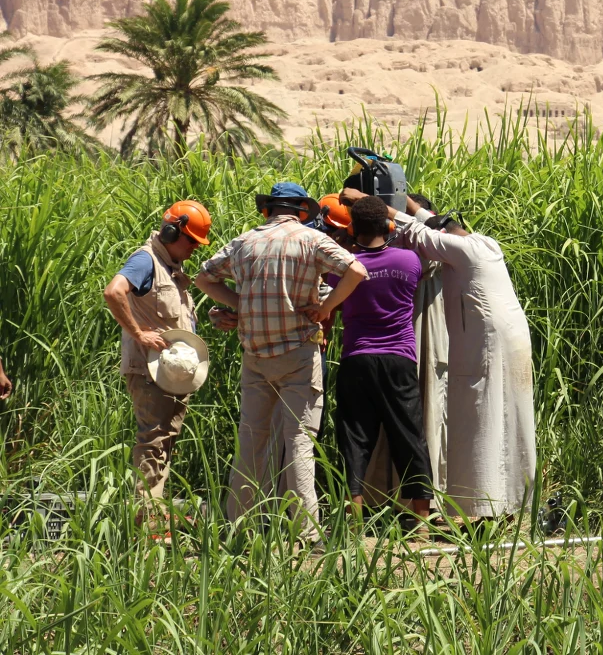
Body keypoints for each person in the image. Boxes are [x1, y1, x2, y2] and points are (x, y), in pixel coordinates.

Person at [341, 187, 536, 519]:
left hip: (486, 340)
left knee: (482, 416)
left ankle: (485, 508)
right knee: (513, 418)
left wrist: (379, 207)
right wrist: (408, 204)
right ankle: (512, 505)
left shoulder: (457, 250)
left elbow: (419, 232)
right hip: (512, 333)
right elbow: (433, 224)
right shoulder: (484, 244)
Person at [195, 182, 367, 543]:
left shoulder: (244, 242)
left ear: (267, 210)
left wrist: (241, 305)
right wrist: (326, 307)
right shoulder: (310, 240)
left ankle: (238, 528)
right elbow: (356, 271)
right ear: (302, 211)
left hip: (256, 356)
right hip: (298, 356)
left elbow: (203, 276)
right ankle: (306, 534)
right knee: (300, 443)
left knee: (251, 443)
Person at [327, 196, 434, 527]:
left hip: (357, 359)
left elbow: (335, 298)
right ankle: (420, 522)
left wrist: (343, 242)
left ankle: (355, 519)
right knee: (410, 435)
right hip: (398, 359)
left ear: (352, 228)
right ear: (388, 226)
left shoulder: (345, 268)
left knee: (355, 439)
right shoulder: (409, 261)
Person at [101, 200, 212, 503]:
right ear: (172, 233)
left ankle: (154, 512)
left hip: (170, 373)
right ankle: (145, 522)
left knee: (163, 444)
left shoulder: (170, 267)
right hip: (150, 372)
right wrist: (139, 333)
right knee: (152, 444)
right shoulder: (145, 260)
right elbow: (114, 291)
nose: (196, 248)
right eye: (192, 241)